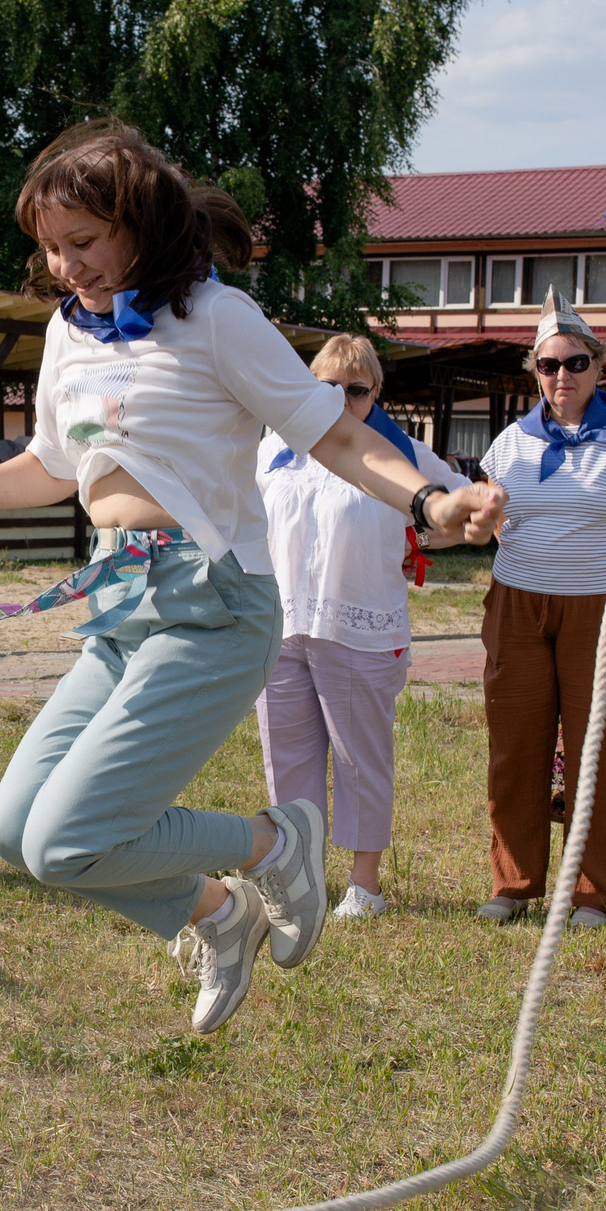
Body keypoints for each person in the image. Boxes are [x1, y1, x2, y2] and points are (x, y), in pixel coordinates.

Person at [0, 122, 503, 1034]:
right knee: (17, 835)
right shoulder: (67, 333)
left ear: (142, 224)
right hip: (119, 599)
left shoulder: (218, 319)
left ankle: (280, 842)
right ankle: (221, 912)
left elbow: (337, 435)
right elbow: (51, 465)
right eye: (50, 246)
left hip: (213, 605)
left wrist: (431, 504)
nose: (64, 265)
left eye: (82, 241)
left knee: (67, 836)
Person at [475, 291, 606, 932]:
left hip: (602, 610)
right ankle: (515, 882)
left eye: (576, 362)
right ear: (534, 372)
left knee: (595, 746)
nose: (562, 376)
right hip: (518, 607)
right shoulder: (509, 443)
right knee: (515, 745)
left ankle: (590, 891)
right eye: (548, 365)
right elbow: (495, 520)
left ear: (599, 365)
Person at [255, 334, 471, 922]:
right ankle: (299, 877)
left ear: (375, 393)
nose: (340, 399)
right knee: (287, 756)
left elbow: (456, 512)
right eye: (326, 388)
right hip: (284, 623)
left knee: (359, 760)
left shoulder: (398, 452)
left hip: (361, 625)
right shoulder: (276, 446)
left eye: (355, 389)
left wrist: (421, 537)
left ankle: (365, 886)